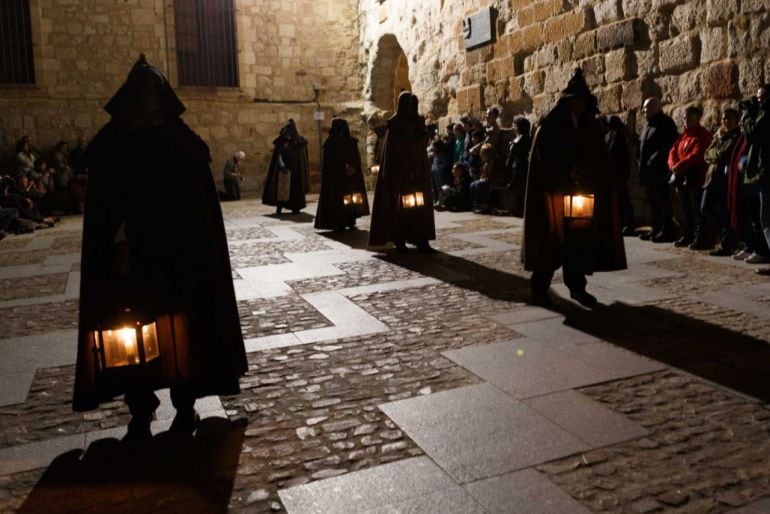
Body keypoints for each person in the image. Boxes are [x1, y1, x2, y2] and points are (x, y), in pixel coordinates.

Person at [73, 55, 247, 440]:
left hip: (178, 255)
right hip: (131, 259)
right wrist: (117, 243)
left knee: (182, 329)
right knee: (133, 335)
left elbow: (199, 205)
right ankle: (140, 407)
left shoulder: (182, 142)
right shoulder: (113, 144)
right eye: (143, 93)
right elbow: (106, 205)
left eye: (155, 92)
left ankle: (185, 405)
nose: (149, 101)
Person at [522, 69, 627, 307]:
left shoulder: (590, 125)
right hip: (556, 193)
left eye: (582, 100)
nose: (578, 105)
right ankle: (539, 288)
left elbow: (598, 156)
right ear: (568, 101)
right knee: (552, 240)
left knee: (578, 242)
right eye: (575, 100)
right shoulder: (551, 125)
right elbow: (544, 158)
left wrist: (586, 173)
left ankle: (577, 288)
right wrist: (566, 171)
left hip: (581, 193)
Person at [369, 91, 436, 253]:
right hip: (401, 176)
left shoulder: (418, 122)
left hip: (418, 172)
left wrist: (420, 138)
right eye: (409, 105)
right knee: (401, 208)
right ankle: (399, 239)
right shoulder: (395, 125)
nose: (412, 108)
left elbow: (419, 145)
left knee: (419, 207)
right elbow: (397, 151)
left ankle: (421, 239)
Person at [668, 106, 713, 249]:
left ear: (696, 118)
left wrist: (679, 166)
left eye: (688, 117)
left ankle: (701, 238)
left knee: (696, 210)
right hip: (682, 179)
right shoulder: (683, 136)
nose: (685, 120)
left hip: (695, 178)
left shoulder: (702, 134)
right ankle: (688, 234)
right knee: (685, 209)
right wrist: (673, 165)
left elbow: (697, 155)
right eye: (684, 117)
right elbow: (672, 152)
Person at [315, 118, 370, 230]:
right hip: (336, 180)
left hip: (350, 178)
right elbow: (329, 164)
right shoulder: (330, 144)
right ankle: (339, 220)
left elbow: (355, 159)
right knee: (338, 200)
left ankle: (351, 218)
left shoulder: (351, 142)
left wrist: (352, 168)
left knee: (352, 199)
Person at [638, 97, 679, 242]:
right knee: (653, 201)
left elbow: (670, 144)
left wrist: (655, 159)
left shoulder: (666, 123)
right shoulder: (647, 124)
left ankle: (667, 230)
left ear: (656, 108)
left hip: (659, 170)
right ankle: (656, 228)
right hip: (648, 171)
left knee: (663, 201)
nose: (644, 111)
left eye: (647, 108)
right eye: (644, 108)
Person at [702, 109, 741, 256]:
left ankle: (726, 244)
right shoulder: (719, 135)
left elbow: (723, 153)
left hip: (724, 181)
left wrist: (715, 153)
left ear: (736, 120)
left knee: (725, 212)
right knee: (705, 208)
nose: (725, 121)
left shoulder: (735, 136)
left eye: (729, 118)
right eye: (724, 118)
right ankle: (720, 235)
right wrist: (716, 152)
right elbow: (707, 154)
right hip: (711, 179)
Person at [742, 84, 770, 275]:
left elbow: (754, 135)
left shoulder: (766, 114)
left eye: (761, 98)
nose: (758, 101)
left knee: (766, 218)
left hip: (767, 174)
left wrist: (750, 115)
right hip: (764, 173)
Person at [262, 119, 310, 214]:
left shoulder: (299, 141)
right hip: (284, 169)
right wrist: (282, 165)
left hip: (296, 171)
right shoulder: (282, 141)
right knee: (282, 189)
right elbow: (279, 155)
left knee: (294, 189)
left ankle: (295, 208)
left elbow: (301, 158)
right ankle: (280, 207)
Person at [605, 116, 635, 235]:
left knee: (622, 198)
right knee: (621, 198)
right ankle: (624, 222)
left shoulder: (616, 135)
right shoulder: (617, 135)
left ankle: (627, 223)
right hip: (617, 172)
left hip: (617, 172)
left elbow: (613, 153)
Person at [470, 143, 505, 213]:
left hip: (495, 181)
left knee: (478, 185)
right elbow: (483, 173)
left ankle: (484, 205)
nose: (481, 155)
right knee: (472, 184)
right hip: (487, 180)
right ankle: (477, 204)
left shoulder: (496, 162)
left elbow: (498, 175)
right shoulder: (486, 162)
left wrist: (486, 178)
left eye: (483, 153)